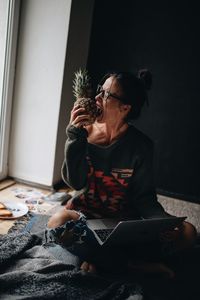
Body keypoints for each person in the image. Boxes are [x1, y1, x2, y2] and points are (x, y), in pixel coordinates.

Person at [47, 69, 197, 276]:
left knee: (188, 232)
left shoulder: (141, 146)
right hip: (85, 217)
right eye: (99, 90)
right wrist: (74, 136)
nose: (97, 97)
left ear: (125, 107)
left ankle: (100, 260)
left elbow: (144, 198)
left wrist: (163, 223)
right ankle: (132, 265)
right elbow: (75, 183)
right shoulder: (81, 133)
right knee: (57, 223)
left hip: (123, 223)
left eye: (106, 94)